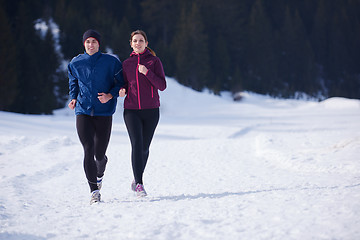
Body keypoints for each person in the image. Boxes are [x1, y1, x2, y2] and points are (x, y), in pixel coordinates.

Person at [68, 29, 124, 204]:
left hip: (104, 112)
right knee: (88, 149)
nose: (90, 45)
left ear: (99, 44)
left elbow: (121, 83)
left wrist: (110, 95)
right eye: (87, 42)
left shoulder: (111, 62)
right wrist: (73, 98)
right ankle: (94, 191)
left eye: (94, 42)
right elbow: (73, 83)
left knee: (99, 155)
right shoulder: (76, 63)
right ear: (83, 44)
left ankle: (100, 172)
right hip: (83, 111)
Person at [119, 30, 166, 197]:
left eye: (141, 40)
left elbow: (162, 85)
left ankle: (136, 177)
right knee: (137, 144)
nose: (138, 43)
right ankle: (139, 183)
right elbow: (122, 83)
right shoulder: (126, 64)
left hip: (151, 110)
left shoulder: (154, 61)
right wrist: (122, 90)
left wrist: (147, 72)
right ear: (131, 44)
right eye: (135, 41)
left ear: (146, 43)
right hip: (131, 110)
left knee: (145, 147)